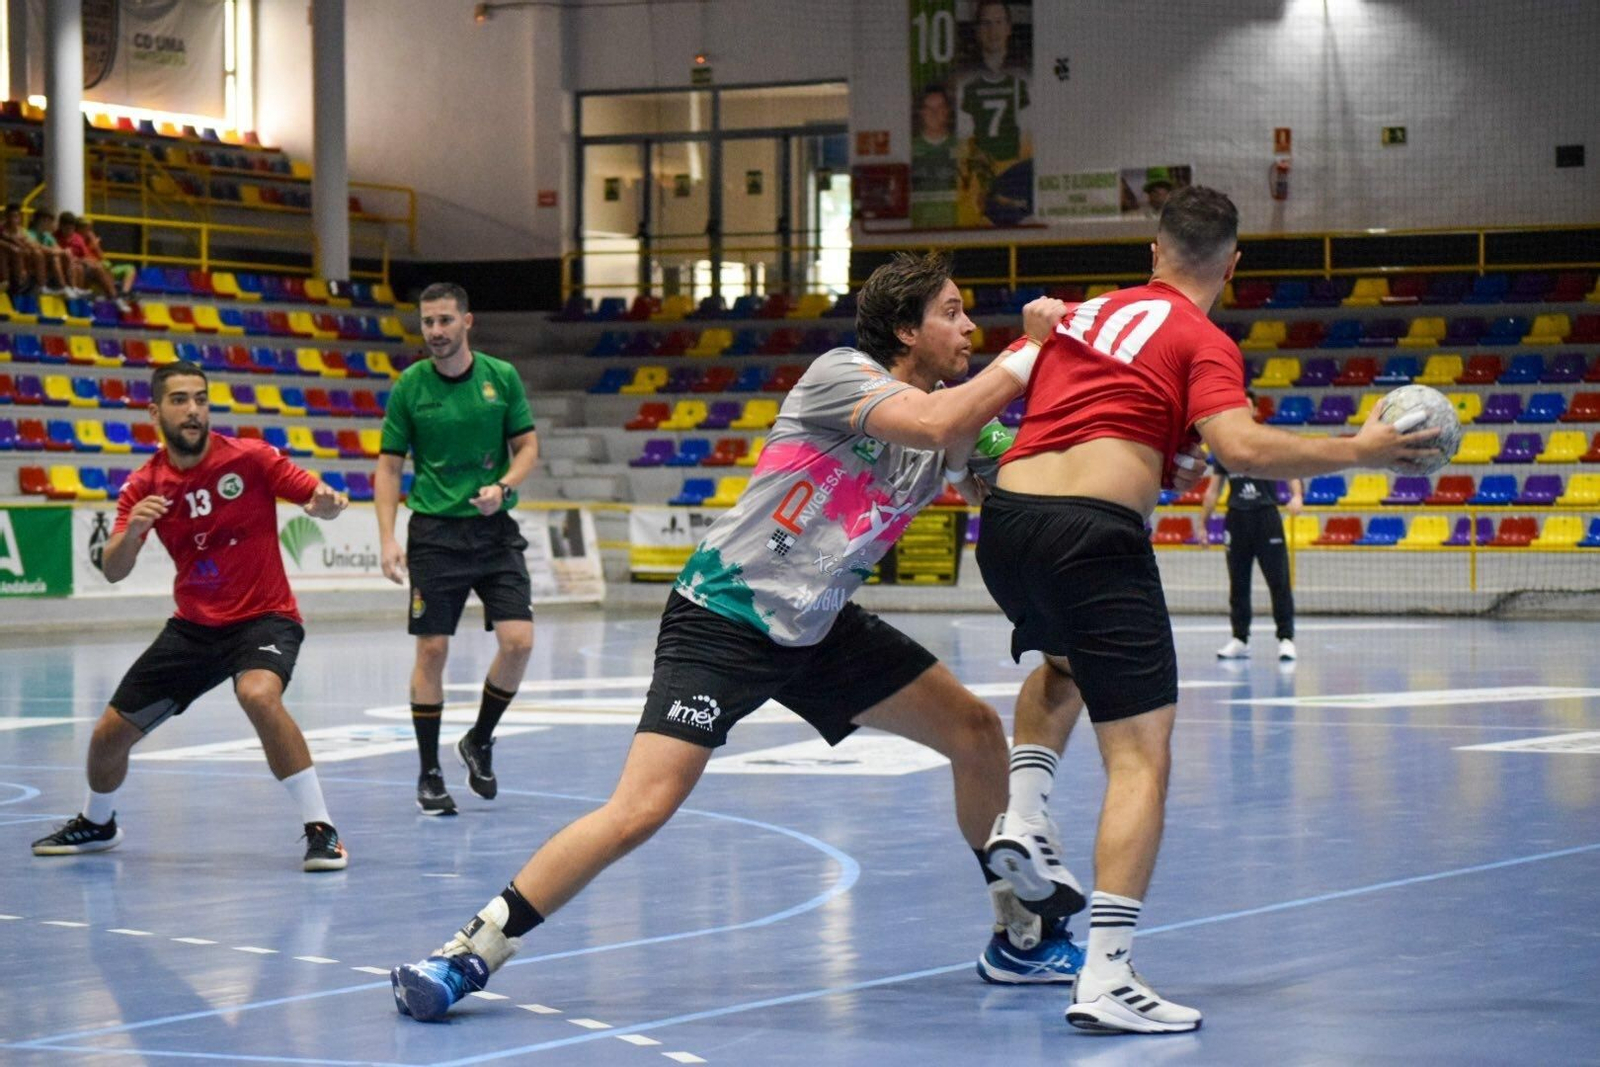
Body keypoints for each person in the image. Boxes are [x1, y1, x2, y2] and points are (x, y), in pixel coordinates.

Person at [388, 252, 1095, 1022]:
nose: (968, 328)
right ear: (904, 329)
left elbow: (1018, 468)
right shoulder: (843, 375)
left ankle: (1020, 936)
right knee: (641, 807)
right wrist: (1033, 348)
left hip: (819, 626)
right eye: (952, 312)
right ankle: (470, 950)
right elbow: (932, 420)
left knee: (974, 730)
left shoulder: (960, 423)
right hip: (725, 615)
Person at [975, 186, 1438, 1034]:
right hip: (1093, 534)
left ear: (1154, 253)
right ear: (1232, 265)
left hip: (1005, 524)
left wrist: (1163, 453)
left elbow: (1090, 412)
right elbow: (1243, 447)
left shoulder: (1083, 313)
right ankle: (1107, 974)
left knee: (1063, 666)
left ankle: (1027, 813)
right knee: (1142, 755)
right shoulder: (1203, 336)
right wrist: (1362, 449)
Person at [30, 361, 352, 871]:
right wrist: (133, 531)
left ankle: (323, 830)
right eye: (180, 400)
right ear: (156, 411)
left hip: (264, 616)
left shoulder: (250, 458)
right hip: (195, 627)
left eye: (200, 398)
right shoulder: (143, 486)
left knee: (257, 694)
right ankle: (99, 821)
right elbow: (113, 569)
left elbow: (315, 496)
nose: (194, 410)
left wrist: (326, 505)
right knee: (107, 736)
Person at [375, 282, 540, 816]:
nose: (436, 332)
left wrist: (506, 487)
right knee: (432, 651)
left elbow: (527, 446)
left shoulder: (501, 378)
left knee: (518, 641)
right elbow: (389, 465)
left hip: (493, 531)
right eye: (428, 322)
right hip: (435, 535)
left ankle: (479, 740)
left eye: (445, 321)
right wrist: (386, 537)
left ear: (467, 322)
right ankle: (428, 773)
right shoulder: (410, 387)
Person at [1201, 390, 1303, 660]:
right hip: (1237, 518)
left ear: (1256, 411)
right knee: (1238, 583)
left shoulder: (1268, 440)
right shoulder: (1225, 446)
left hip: (1266, 516)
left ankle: (1286, 638)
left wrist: (1296, 495)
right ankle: (1239, 638)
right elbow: (1213, 490)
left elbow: (1291, 467)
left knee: (1278, 580)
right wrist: (1203, 524)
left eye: (1247, 407)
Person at [958, 0, 1032, 225]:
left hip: (1014, 166)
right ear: (978, 31)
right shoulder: (963, 74)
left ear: (1009, 27)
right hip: (984, 171)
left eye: (999, 22)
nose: (993, 30)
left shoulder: (1025, 71)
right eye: (987, 23)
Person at [910, 84, 960, 228]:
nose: (934, 113)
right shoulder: (910, 149)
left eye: (940, 108)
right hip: (920, 227)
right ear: (921, 112)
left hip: (956, 227)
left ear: (947, 111)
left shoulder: (960, 147)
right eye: (928, 108)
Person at [56, 211, 119, 302]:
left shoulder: (77, 238)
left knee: (98, 267)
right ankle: (78, 298)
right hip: (67, 265)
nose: (69, 231)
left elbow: (88, 256)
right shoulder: (55, 237)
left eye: (71, 228)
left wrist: (88, 258)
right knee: (78, 268)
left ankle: (113, 296)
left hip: (79, 263)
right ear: (61, 226)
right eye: (67, 228)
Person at [26, 207, 83, 297]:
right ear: (42, 221)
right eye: (50, 222)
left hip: (45, 264)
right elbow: (38, 247)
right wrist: (59, 252)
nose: (52, 225)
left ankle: (73, 288)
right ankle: (62, 287)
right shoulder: (28, 233)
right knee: (55, 257)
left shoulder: (47, 236)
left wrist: (64, 252)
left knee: (71, 260)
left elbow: (58, 248)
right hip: (33, 263)